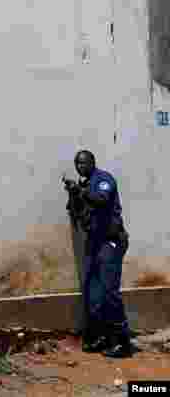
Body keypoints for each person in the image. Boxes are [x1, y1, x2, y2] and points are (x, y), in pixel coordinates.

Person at [68, 149, 134, 358]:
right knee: (93, 293)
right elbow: (76, 211)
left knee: (109, 292)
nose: (80, 166)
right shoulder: (85, 185)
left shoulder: (103, 179)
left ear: (92, 163)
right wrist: (74, 193)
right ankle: (102, 337)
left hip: (110, 241)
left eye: (84, 163)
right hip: (94, 243)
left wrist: (82, 192)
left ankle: (122, 342)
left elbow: (102, 199)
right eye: (77, 163)